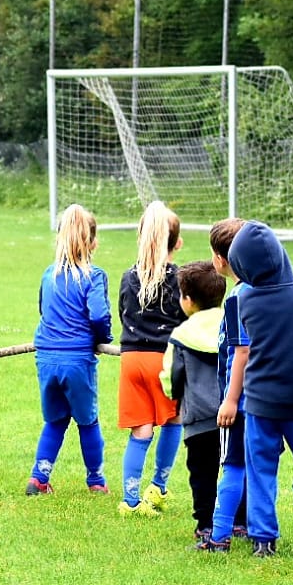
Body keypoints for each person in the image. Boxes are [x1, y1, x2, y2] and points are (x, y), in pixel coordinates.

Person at [227, 221, 293, 557]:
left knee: (260, 469)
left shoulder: (242, 300)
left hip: (259, 402)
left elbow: (241, 349)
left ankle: (263, 538)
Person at [26, 204, 112, 495]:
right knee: (88, 421)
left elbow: (43, 309)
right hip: (76, 359)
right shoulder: (94, 276)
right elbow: (98, 315)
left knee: (55, 419)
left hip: (46, 356)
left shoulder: (48, 274)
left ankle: (39, 478)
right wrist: (102, 338)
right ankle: (96, 481)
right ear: (93, 242)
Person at [116, 200, 186, 517]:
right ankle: (157, 488)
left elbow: (123, 313)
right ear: (177, 243)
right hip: (164, 360)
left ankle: (130, 501)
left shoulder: (128, 277)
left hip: (131, 360)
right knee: (174, 419)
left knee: (140, 430)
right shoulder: (180, 279)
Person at [160, 260, 226, 539]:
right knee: (237, 468)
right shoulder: (233, 324)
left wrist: (174, 394)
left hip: (198, 417)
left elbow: (172, 375)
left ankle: (205, 524)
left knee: (201, 473)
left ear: (187, 300)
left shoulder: (181, 335)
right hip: (235, 414)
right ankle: (240, 521)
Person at [196, 218, 250, 551]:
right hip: (262, 400)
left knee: (231, 464)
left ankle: (219, 535)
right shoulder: (264, 292)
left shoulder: (236, 299)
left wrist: (230, 399)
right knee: (257, 466)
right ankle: (257, 530)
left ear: (220, 259)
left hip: (238, 400)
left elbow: (241, 351)